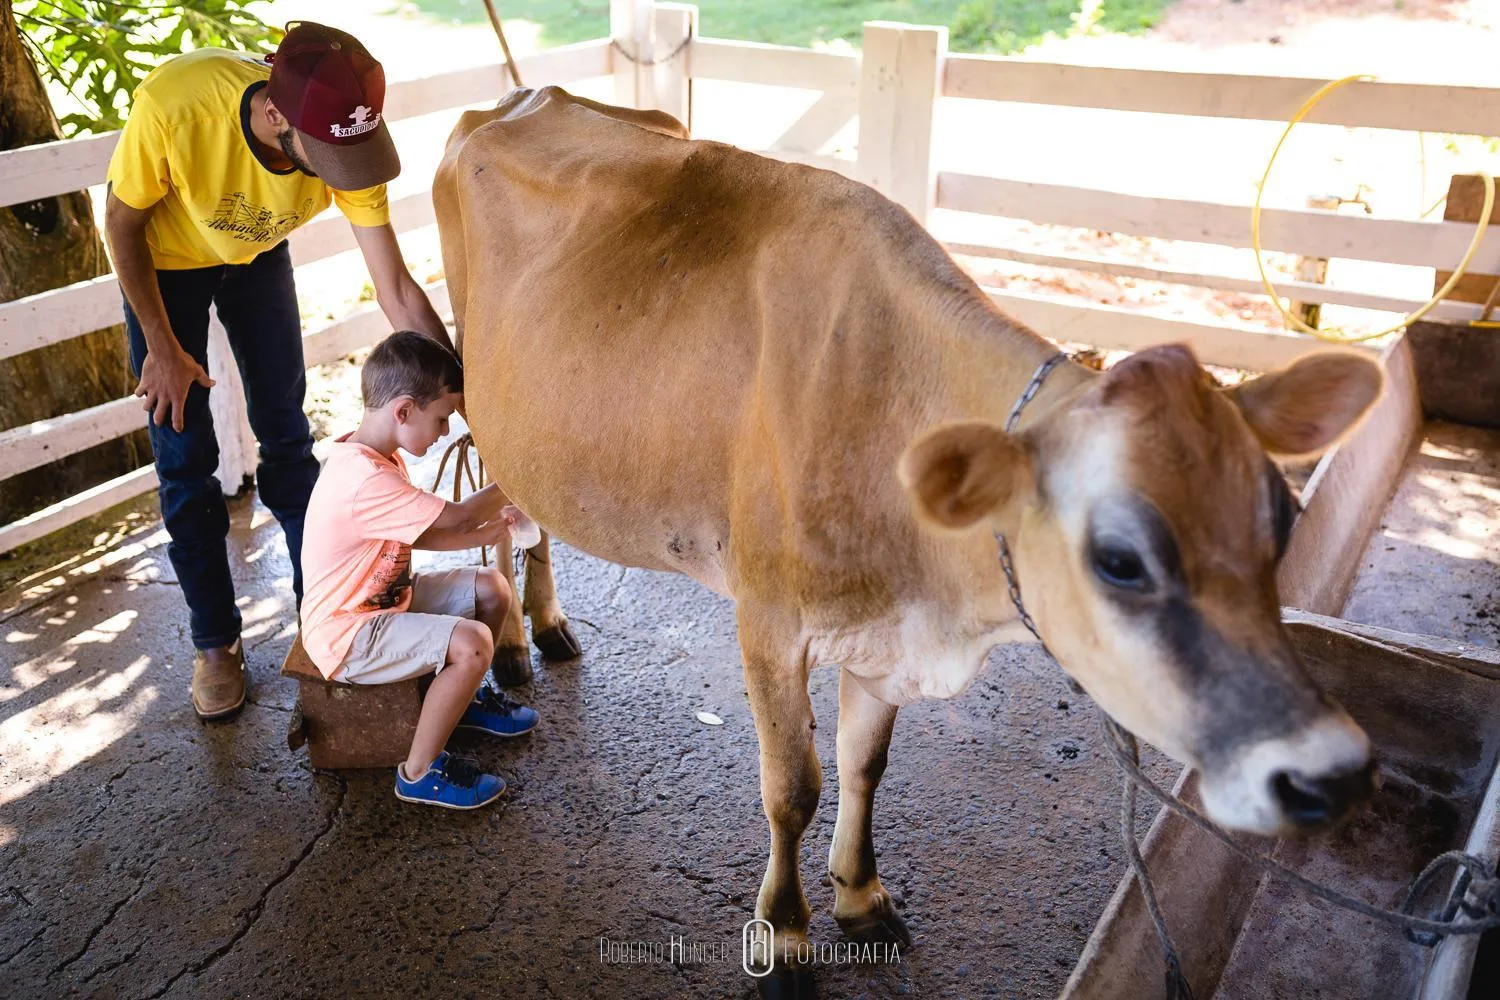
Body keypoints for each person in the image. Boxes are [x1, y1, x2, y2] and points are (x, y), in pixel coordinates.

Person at [103, 21, 452, 719]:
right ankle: (215, 643)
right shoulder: (179, 105)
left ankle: (324, 620)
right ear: (273, 116)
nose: (338, 176)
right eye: (322, 158)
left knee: (288, 440)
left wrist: (458, 388)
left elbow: (397, 289)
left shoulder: (340, 138)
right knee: (183, 456)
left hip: (257, 255)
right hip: (167, 263)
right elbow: (120, 222)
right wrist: (163, 348)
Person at [299, 331, 539, 809]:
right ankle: (418, 772)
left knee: (491, 588)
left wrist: (488, 534)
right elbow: (456, 516)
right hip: (349, 635)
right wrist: (519, 474)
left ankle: (462, 697)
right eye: (442, 418)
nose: (446, 431)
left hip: (384, 602)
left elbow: (424, 530)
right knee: (474, 644)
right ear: (404, 410)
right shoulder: (364, 479)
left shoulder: (376, 455)